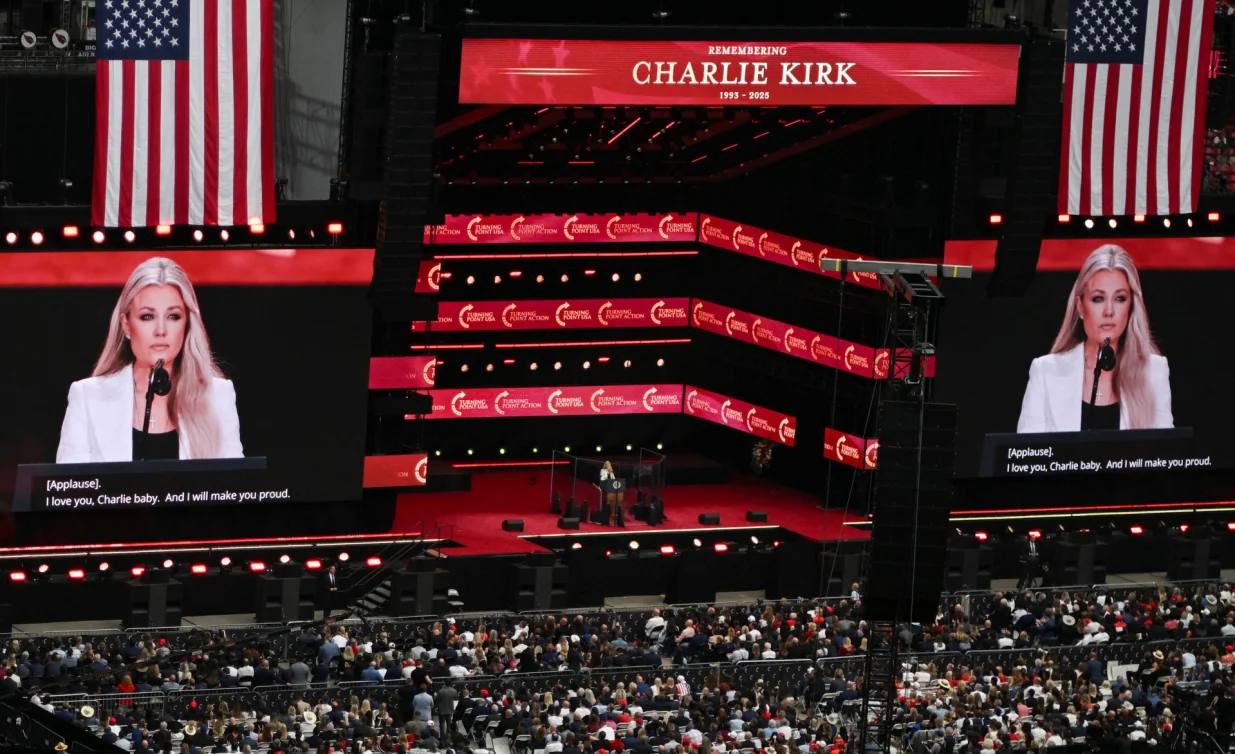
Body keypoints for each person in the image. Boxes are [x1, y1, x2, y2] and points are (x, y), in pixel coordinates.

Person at [55, 256, 244, 463]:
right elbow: (69, 490)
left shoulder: (217, 398)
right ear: (126, 325)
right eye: (147, 317)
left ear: (187, 324)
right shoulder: (88, 398)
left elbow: (232, 489)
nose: (161, 330)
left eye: (173, 316)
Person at [1017, 244, 1173, 433]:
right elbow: (1027, 456)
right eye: (1098, 299)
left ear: (1131, 306)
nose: (1109, 311)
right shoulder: (1046, 373)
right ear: (1080, 306)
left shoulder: (1153, 373)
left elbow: (1165, 456)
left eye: (1120, 298)